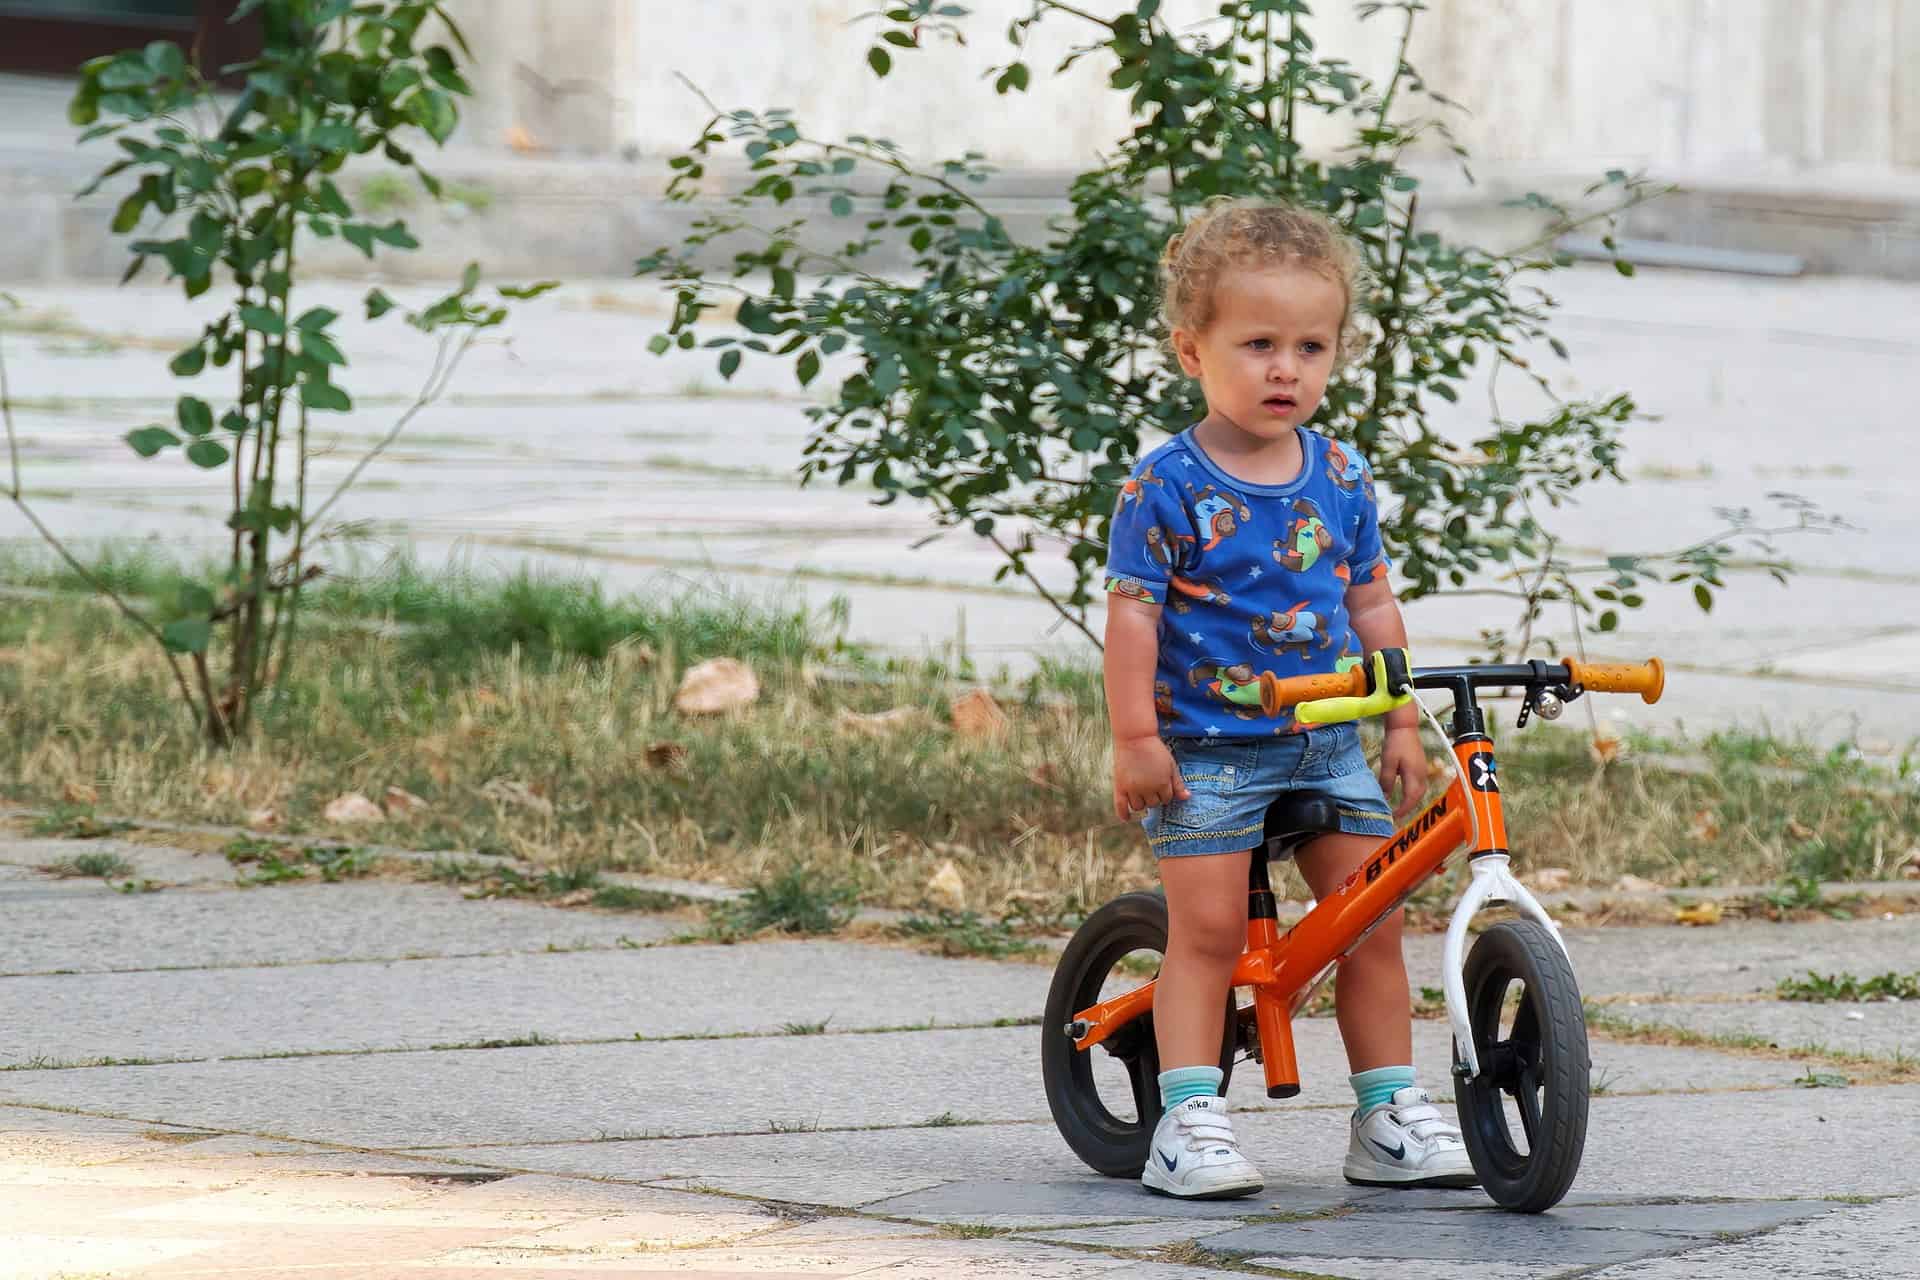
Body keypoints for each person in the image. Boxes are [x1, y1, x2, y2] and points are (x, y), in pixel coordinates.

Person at [1102, 199, 1475, 1200]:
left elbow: (1371, 598)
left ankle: (1386, 1114)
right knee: (1209, 936)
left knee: (1371, 924)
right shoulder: (1164, 483)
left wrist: (1401, 718)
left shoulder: (1339, 472)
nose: (1287, 369)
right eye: (1259, 344)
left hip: (1326, 741)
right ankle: (1187, 1119)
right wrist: (1136, 737)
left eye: (1311, 347)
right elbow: (1133, 616)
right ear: (1192, 350)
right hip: (1207, 749)